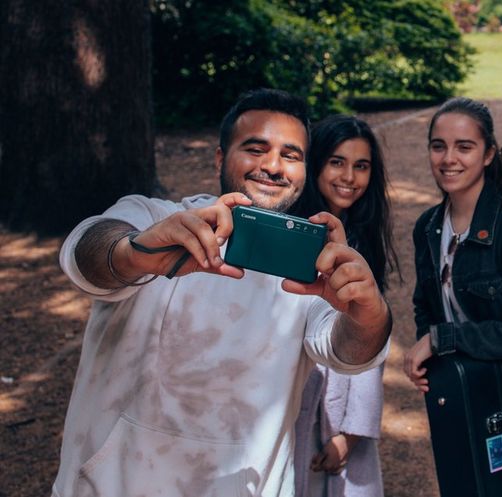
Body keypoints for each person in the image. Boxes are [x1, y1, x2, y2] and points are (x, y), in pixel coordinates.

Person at [52, 89, 392, 497]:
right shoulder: (154, 217)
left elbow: (346, 353)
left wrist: (368, 315)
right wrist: (136, 254)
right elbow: (87, 252)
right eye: (256, 148)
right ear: (220, 158)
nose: (272, 166)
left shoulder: (310, 269)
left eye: (291, 155)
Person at [402, 97, 502, 496]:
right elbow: (425, 305)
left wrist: (442, 340)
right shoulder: (429, 226)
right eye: (438, 146)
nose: (448, 158)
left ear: (487, 155)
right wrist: (435, 360)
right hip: (462, 401)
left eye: (464, 147)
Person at [291, 115, 399, 497]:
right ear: (316, 162)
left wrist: (351, 435)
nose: (349, 177)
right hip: (294, 400)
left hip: (341, 405)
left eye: (361, 165)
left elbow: (371, 344)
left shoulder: (362, 236)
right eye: (337, 162)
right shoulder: (292, 232)